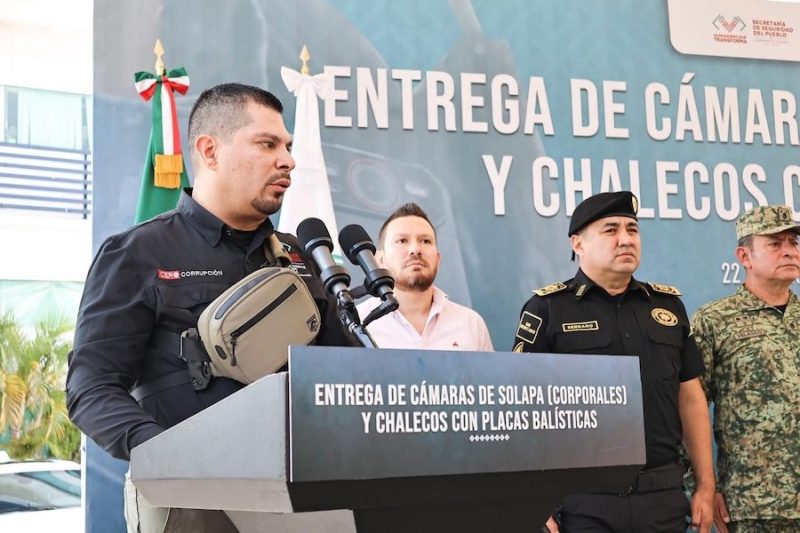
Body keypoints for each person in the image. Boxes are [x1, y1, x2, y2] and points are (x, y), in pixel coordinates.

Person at [66, 83, 355, 532]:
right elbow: (92, 387)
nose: (287, 160)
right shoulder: (137, 253)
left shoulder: (298, 256)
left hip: (305, 497)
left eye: (288, 146)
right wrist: (168, 455)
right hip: (193, 503)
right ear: (209, 151)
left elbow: (343, 371)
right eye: (267, 144)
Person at [513, 191, 714, 533]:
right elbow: (524, 410)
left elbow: (691, 400)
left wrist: (706, 486)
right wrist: (535, 499)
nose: (626, 239)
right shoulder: (548, 309)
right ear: (578, 244)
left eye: (632, 229)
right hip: (585, 500)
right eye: (610, 230)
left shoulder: (667, 307)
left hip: (662, 495)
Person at [691, 205, 800, 533]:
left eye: (793, 242)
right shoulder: (715, 321)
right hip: (752, 504)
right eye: (774, 243)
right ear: (744, 256)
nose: (789, 251)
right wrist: (703, 486)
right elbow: (687, 407)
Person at [357, 203, 493, 351]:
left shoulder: (471, 324)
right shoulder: (357, 322)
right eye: (402, 240)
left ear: (438, 259)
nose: (415, 249)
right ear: (380, 260)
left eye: (425, 241)